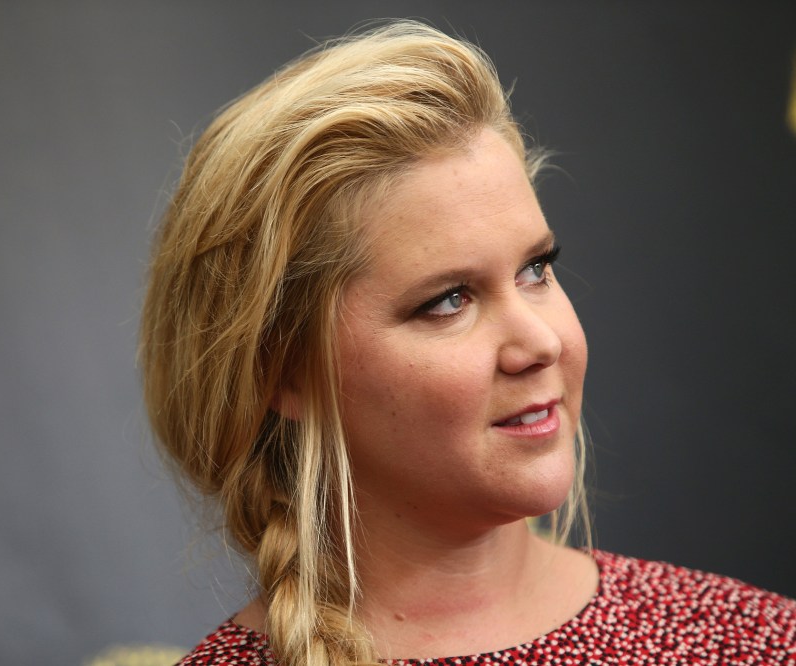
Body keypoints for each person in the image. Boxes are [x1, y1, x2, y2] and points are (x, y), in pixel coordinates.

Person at [139, 20, 795, 666]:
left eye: (535, 270)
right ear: (283, 372)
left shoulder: (754, 638)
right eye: (449, 300)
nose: (539, 343)